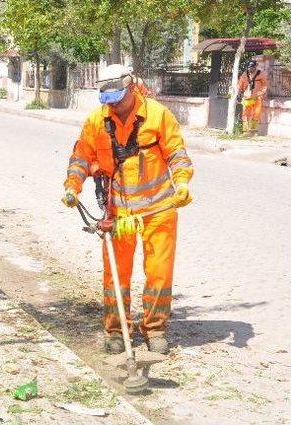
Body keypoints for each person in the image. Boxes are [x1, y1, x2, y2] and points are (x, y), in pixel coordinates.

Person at [61, 64, 194, 355]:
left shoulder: (158, 115)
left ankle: (155, 329)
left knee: (159, 272)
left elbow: (177, 153)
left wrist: (182, 183)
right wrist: (72, 186)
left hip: (159, 209)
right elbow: (81, 156)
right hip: (119, 211)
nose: (114, 106)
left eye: (118, 99)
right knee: (115, 275)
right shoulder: (97, 121)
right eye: (108, 101)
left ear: (131, 87)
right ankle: (117, 330)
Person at [238, 59, 267, 135]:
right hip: (247, 97)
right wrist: (239, 92)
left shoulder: (260, 74)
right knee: (245, 114)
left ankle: (252, 132)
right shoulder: (244, 75)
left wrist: (261, 93)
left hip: (257, 97)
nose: (251, 69)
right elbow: (239, 85)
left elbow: (264, 85)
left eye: (252, 67)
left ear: (255, 66)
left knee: (256, 114)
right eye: (249, 67)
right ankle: (245, 131)